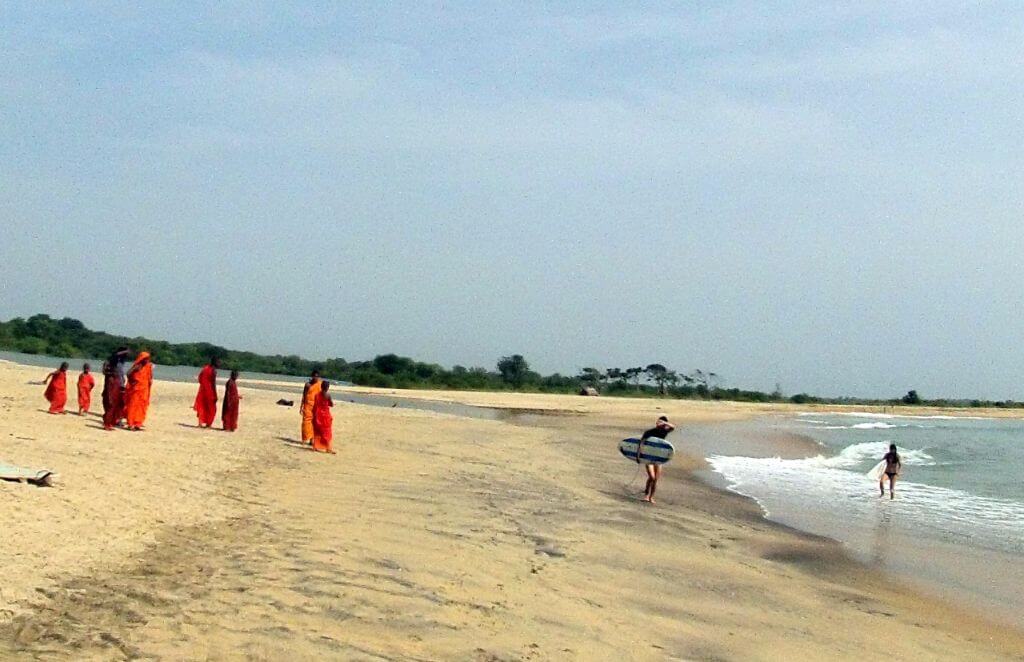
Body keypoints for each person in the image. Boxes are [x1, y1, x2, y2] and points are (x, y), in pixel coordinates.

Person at [637, 415, 675, 503]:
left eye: (660, 422)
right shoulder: (649, 432)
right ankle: (646, 495)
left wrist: (664, 423)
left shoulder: (664, 431)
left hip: (658, 458)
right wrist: (639, 456)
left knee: (655, 479)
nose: (658, 424)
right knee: (652, 477)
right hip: (648, 456)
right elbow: (641, 443)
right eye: (657, 422)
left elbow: (673, 427)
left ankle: (651, 497)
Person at [123, 351, 154, 431]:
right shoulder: (138, 366)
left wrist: (150, 381)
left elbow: (150, 376)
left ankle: (138, 423)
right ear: (142, 359)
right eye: (146, 358)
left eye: (148, 358)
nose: (147, 360)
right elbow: (128, 373)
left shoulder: (148, 366)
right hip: (136, 389)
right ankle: (130, 424)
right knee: (133, 406)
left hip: (144, 389)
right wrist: (133, 381)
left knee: (142, 406)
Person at [102, 347, 130, 430]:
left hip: (119, 384)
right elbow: (105, 371)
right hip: (113, 385)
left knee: (119, 404)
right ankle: (108, 423)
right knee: (110, 403)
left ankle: (115, 421)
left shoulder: (121, 362)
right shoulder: (111, 364)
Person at [193, 357, 220, 428]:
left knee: (202, 406)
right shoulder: (213, 371)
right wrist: (215, 394)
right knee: (211, 408)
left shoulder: (205, 368)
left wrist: (203, 384)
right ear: (215, 362)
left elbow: (200, 378)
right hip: (209, 391)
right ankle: (208, 424)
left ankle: (200, 423)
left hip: (202, 389)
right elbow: (213, 384)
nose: (219, 364)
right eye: (218, 362)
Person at [312, 380, 335, 454]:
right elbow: (331, 404)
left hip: (318, 414)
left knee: (318, 430)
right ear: (327, 387)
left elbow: (315, 405)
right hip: (325, 415)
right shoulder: (328, 395)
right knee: (327, 431)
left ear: (321, 387)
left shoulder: (317, 395)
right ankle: (328, 448)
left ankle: (316, 446)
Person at [300, 369, 322, 444]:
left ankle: (312, 440)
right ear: (312, 376)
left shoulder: (320, 384)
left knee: (315, 423)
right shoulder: (307, 385)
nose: (316, 378)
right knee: (306, 423)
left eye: (317, 377)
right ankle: (304, 439)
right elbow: (304, 395)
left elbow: (322, 395)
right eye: (314, 376)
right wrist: (301, 406)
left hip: (317, 406)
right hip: (308, 405)